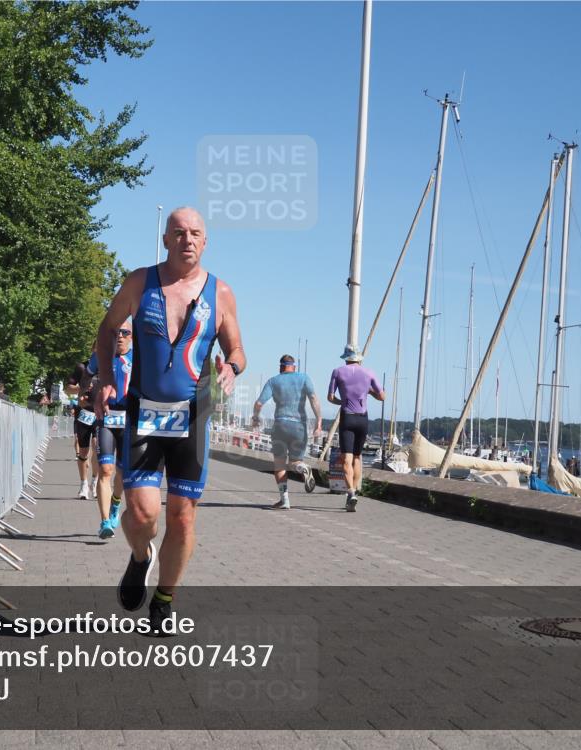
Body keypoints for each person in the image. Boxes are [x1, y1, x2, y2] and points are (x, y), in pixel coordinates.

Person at [95, 206, 245, 633]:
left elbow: (238, 351)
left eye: (196, 233)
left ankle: (164, 599)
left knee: (182, 517)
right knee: (142, 515)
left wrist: (231, 370)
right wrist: (106, 379)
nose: (187, 240)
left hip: (192, 418)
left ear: (206, 241)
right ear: (165, 239)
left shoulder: (222, 293)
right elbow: (108, 329)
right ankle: (141, 557)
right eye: (178, 232)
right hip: (145, 413)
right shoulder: (140, 282)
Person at [252, 354, 322, 509]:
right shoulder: (304, 378)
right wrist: (319, 421)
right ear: (294, 367)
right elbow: (313, 399)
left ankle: (285, 501)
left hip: (280, 426)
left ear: (280, 367)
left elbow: (258, 403)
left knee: (279, 464)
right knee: (295, 461)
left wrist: (255, 417)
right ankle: (303, 468)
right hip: (299, 427)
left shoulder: (274, 381)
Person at [89, 319, 133, 540]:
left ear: (132, 336)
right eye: (117, 332)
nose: (120, 336)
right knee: (106, 470)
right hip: (105, 419)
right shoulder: (101, 356)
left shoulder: (141, 359)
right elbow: (85, 376)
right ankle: (105, 521)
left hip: (128, 421)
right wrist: (90, 393)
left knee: (123, 474)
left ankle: (116, 502)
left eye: (125, 332)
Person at [328, 346, 384, 512]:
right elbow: (382, 396)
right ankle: (356, 492)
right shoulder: (369, 372)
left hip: (347, 417)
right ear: (359, 358)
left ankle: (350, 492)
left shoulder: (337, 372)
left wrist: (343, 402)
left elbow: (330, 397)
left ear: (345, 358)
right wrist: (369, 390)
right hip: (362, 419)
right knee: (358, 458)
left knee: (346, 459)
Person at [66, 350, 100, 500]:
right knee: (84, 452)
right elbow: (67, 388)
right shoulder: (82, 368)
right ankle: (83, 484)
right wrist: (81, 389)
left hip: (101, 415)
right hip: (85, 413)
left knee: (98, 448)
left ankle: (95, 482)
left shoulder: (111, 367)